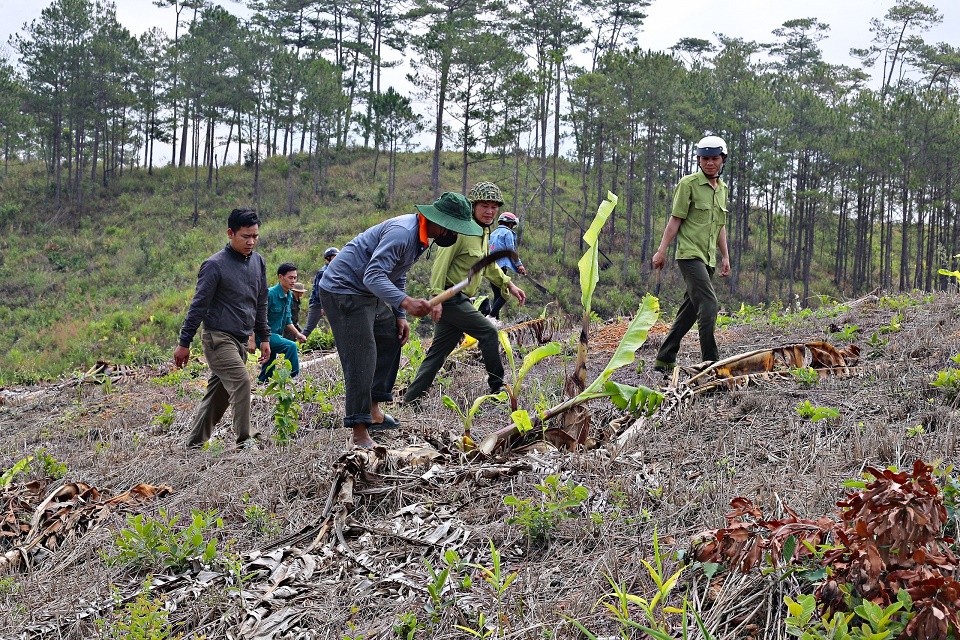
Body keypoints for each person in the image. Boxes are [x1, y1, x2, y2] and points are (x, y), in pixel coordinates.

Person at [318, 192, 482, 449]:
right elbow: (373, 275)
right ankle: (359, 431)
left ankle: (374, 410)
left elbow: (397, 273)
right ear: (440, 222)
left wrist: (399, 315)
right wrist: (406, 302)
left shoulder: (423, 237)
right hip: (344, 290)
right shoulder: (403, 233)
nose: (455, 235)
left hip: (367, 291)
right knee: (362, 355)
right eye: (453, 229)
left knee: (390, 336)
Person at [403, 182, 526, 404]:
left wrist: (509, 284)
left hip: (462, 300)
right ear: (473, 206)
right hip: (449, 299)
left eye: (493, 207)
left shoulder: (484, 232)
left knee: (437, 353)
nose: (489, 212)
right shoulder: (459, 230)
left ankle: (411, 399)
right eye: (484, 206)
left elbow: (487, 265)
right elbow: (440, 264)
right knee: (489, 332)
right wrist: (436, 296)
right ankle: (498, 388)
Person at [173, 208, 271, 449]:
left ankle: (194, 443)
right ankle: (245, 440)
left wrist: (264, 337)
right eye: (245, 236)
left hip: (240, 340)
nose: (251, 241)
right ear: (230, 233)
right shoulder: (214, 265)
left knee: (218, 395)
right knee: (241, 382)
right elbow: (198, 305)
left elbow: (261, 302)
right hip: (218, 338)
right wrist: (184, 342)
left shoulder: (258, 262)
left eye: (255, 236)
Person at [652, 135, 731, 373]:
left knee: (689, 311)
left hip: (708, 258)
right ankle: (711, 362)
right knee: (709, 303)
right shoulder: (688, 185)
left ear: (722, 160)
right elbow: (675, 220)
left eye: (714, 158)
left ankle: (665, 358)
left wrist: (725, 256)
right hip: (689, 255)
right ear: (698, 160)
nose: (709, 163)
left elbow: (720, 226)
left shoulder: (723, 189)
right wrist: (661, 250)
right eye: (705, 158)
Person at [259, 263, 308, 382]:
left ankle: (262, 383)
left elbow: (287, 320)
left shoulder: (289, 295)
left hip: (275, 336)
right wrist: (251, 339)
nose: (293, 281)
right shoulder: (270, 294)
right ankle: (294, 379)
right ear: (281, 277)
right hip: (263, 336)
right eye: (290, 277)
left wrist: (298, 334)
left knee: (268, 366)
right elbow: (256, 317)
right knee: (290, 346)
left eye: (295, 278)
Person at [486, 211, 526, 320]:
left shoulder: (492, 233)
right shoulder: (508, 233)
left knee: (497, 295)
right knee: (505, 294)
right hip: (500, 267)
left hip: (490, 268)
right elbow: (510, 251)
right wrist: (519, 265)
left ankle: (495, 321)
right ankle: (491, 317)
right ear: (510, 223)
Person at [304, 247, 339, 337]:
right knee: (309, 329)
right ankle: (295, 346)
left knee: (337, 326)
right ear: (328, 258)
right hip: (318, 304)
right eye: (334, 256)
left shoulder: (335, 271)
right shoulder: (323, 272)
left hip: (330, 303)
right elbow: (318, 291)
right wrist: (323, 306)